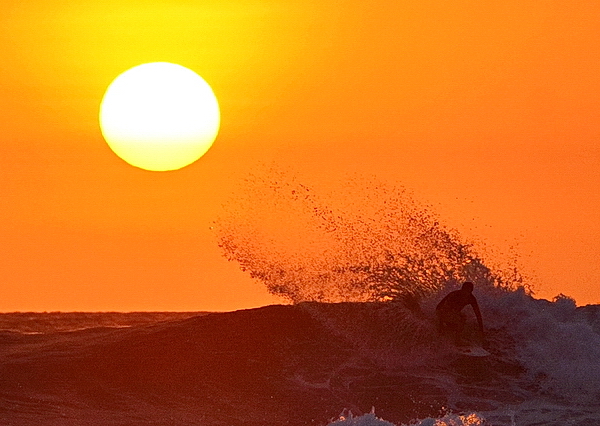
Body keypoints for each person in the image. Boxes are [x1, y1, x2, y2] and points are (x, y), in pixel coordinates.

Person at [436, 281, 484, 346]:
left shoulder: (471, 298)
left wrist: (481, 330)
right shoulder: (455, 295)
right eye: (465, 290)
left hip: (453, 313)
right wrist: (440, 324)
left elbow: (478, 314)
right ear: (462, 289)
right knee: (460, 319)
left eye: (469, 291)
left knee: (461, 317)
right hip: (442, 311)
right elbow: (440, 307)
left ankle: (454, 335)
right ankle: (457, 341)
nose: (466, 293)